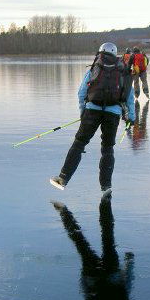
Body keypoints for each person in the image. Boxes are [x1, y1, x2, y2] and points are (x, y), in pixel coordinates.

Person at [50, 42, 135, 200]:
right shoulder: (123, 70)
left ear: (100, 53)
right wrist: (132, 118)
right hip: (113, 113)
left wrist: (83, 110)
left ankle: (63, 178)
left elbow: (82, 92)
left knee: (79, 143)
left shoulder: (95, 67)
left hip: (92, 110)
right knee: (108, 148)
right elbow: (130, 97)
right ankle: (106, 186)